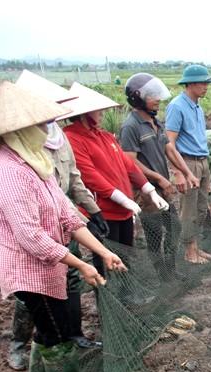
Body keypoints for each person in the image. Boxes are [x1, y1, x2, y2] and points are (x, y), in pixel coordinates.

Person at [0, 81, 126, 372]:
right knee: (57, 333)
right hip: (28, 270)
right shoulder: (9, 171)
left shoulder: (34, 162)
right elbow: (30, 236)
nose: (48, 130)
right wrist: (80, 264)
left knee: (47, 331)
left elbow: (65, 213)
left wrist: (101, 251)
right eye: (42, 125)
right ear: (22, 129)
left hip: (48, 265)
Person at [7, 71, 108, 370]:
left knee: (71, 280)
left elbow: (72, 179)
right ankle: (18, 343)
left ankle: (74, 333)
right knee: (31, 292)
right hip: (36, 229)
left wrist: (92, 211)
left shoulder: (57, 136)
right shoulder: (19, 150)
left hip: (64, 220)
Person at [62, 83, 168, 252]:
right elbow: (90, 176)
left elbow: (128, 165)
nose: (102, 113)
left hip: (124, 210)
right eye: (98, 110)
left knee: (126, 257)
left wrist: (149, 189)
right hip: (103, 211)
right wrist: (123, 199)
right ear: (84, 114)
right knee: (110, 261)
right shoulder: (72, 138)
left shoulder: (104, 136)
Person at [120, 72, 191, 280]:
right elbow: (129, 161)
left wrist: (186, 172)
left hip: (164, 190)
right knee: (155, 235)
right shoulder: (130, 127)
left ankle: (170, 268)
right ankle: (163, 275)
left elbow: (169, 149)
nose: (158, 100)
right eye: (152, 96)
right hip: (146, 193)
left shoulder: (155, 122)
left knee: (174, 227)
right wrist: (158, 178)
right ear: (137, 98)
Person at [166, 64, 211, 264]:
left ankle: (196, 247)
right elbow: (170, 142)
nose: (206, 87)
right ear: (191, 84)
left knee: (202, 208)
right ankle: (189, 251)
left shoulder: (197, 107)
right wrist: (178, 171)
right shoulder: (177, 106)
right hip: (188, 162)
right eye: (203, 83)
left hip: (202, 162)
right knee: (188, 210)